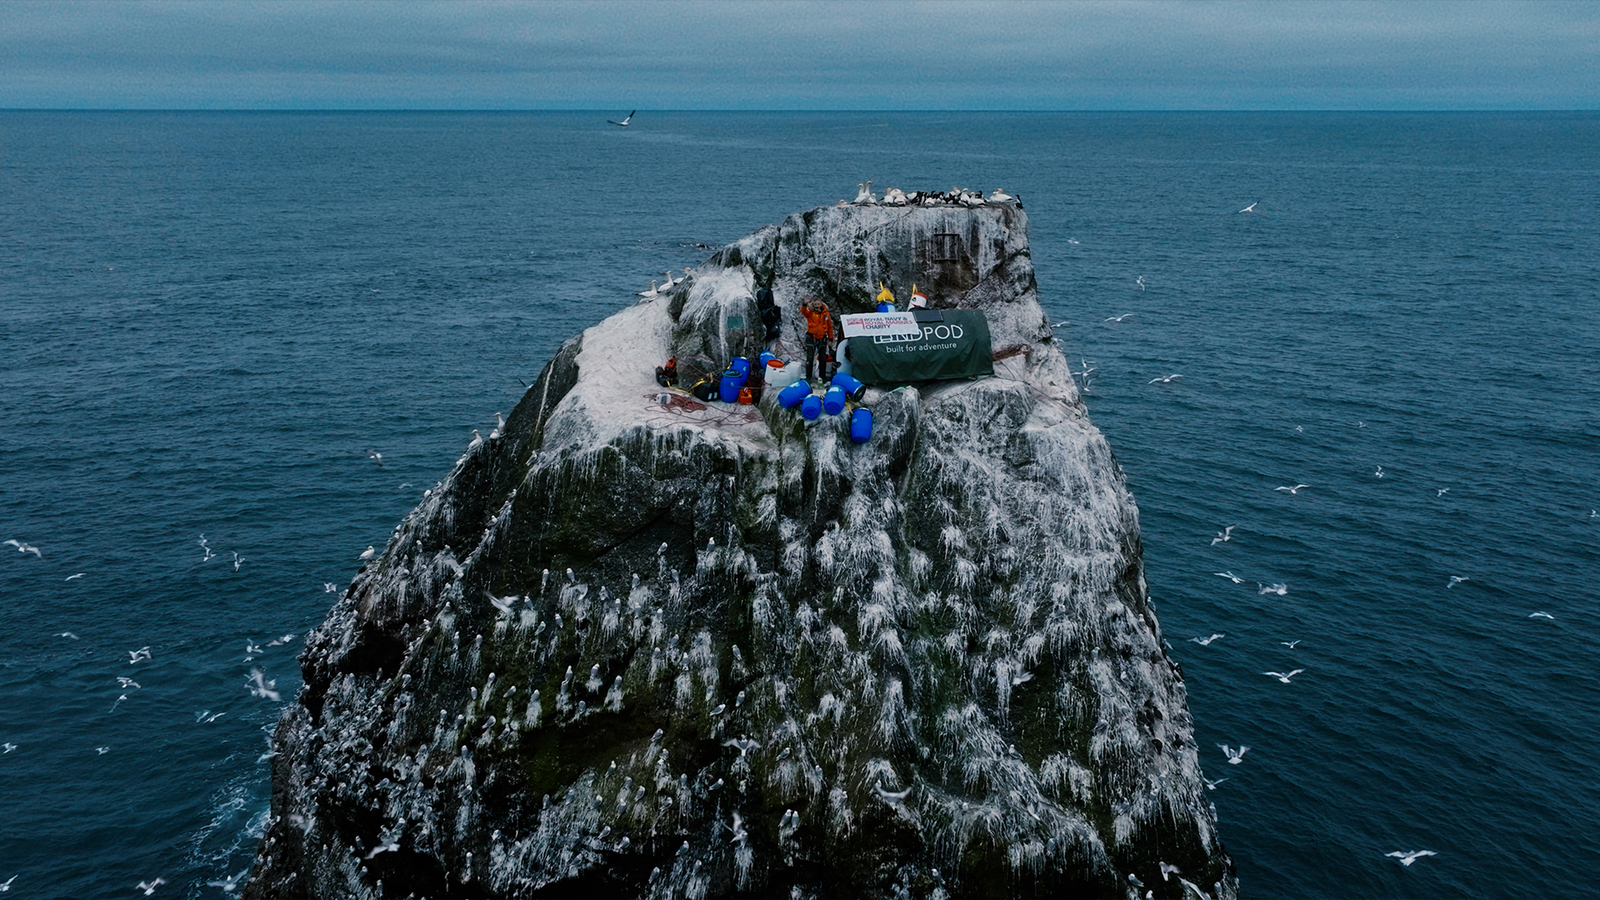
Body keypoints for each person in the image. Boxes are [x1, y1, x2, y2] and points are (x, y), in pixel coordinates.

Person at [800, 296, 835, 382]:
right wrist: (804, 304)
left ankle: (822, 377)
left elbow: (829, 326)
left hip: (822, 338)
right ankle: (808, 377)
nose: (817, 305)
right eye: (815, 304)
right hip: (811, 338)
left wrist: (830, 338)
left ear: (821, 304)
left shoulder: (826, 314)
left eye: (818, 303)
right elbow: (803, 311)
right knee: (810, 358)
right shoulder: (810, 313)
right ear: (813, 304)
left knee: (823, 358)